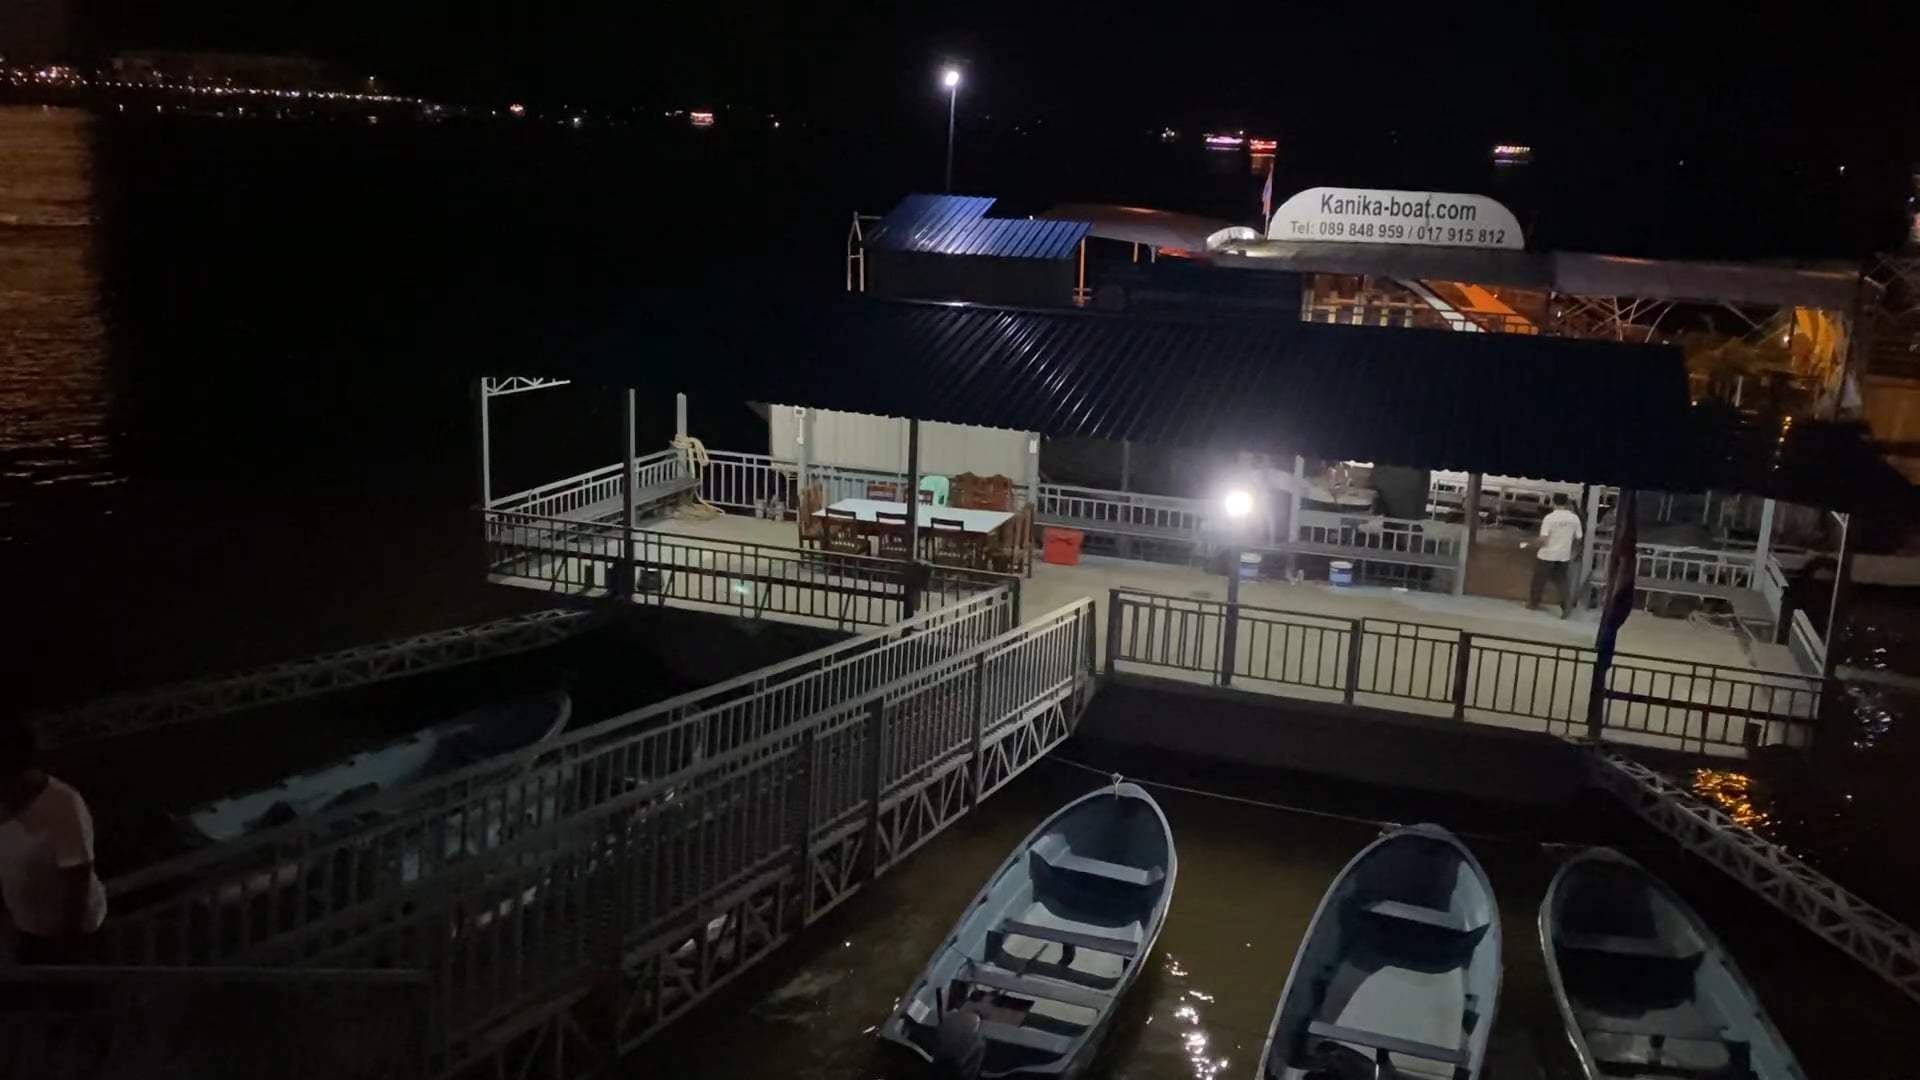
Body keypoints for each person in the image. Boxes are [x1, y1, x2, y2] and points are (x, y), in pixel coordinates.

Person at [0, 718, 107, 964]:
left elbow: (77, 886)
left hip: (70, 942)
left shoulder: (63, 804)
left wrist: (65, 955)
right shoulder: (7, 805)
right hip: (26, 935)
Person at [1529, 493, 1585, 617]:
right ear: (1566, 503)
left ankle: (1534, 603)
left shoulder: (1549, 518)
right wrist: (1574, 552)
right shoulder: (1574, 518)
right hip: (1564, 555)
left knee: (1539, 580)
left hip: (1547, 554)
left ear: (1553, 502)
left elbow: (1543, 539)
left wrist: (1532, 543)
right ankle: (1567, 605)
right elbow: (1579, 538)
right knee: (1562, 582)